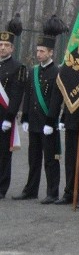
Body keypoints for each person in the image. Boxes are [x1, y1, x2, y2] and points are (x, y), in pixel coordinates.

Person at [15, 20, 64, 203]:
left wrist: (51, 122)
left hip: (47, 124)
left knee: (51, 160)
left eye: (42, 51)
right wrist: (26, 117)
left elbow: (55, 100)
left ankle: (52, 192)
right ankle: (31, 189)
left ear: (51, 52)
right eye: (37, 51)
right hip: (34, 121)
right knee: (33, 158)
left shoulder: (56, 72)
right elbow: (28, 95)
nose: (39, 54)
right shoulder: (33, 71)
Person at [0, 16, 27, 199]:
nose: (2, 48)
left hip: (4, 117)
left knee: (3, 154)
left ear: (12, 48)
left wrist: (9, 118)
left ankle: (1, 187)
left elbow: (17, 95)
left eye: (5, 45)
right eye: (0, 44)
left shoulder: (18, 67)